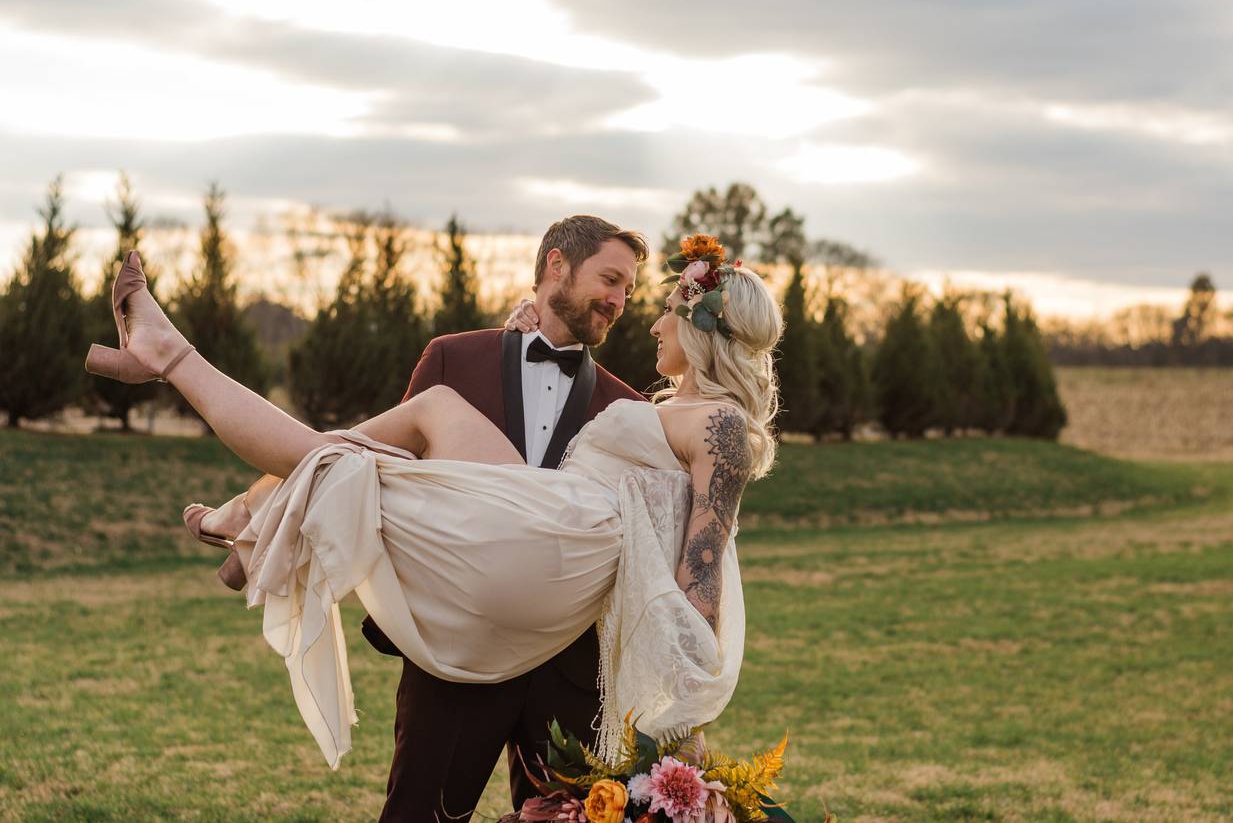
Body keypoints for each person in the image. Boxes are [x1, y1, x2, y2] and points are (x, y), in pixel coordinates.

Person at [84, 232, 782, 820]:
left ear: (703, 328)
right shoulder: (650, 401)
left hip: (557, 572)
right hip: (529, 549)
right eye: (616, 283)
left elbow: (700, 578)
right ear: (555, 269)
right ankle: (244, 480)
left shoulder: (695, 417)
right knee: (369, 456)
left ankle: (195, 397)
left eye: (660, 306)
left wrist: (683, 735)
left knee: (398, 431)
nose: (645, 317)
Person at [193, 215, 652, 820]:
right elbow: (381, 478)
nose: (619, 301)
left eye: (628, 290)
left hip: (567, 669)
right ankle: (252, 524)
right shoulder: (452, 361)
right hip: (450, 656)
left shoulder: (628, 409)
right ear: (556, 266)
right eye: (611, 279)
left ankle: (244, 523)